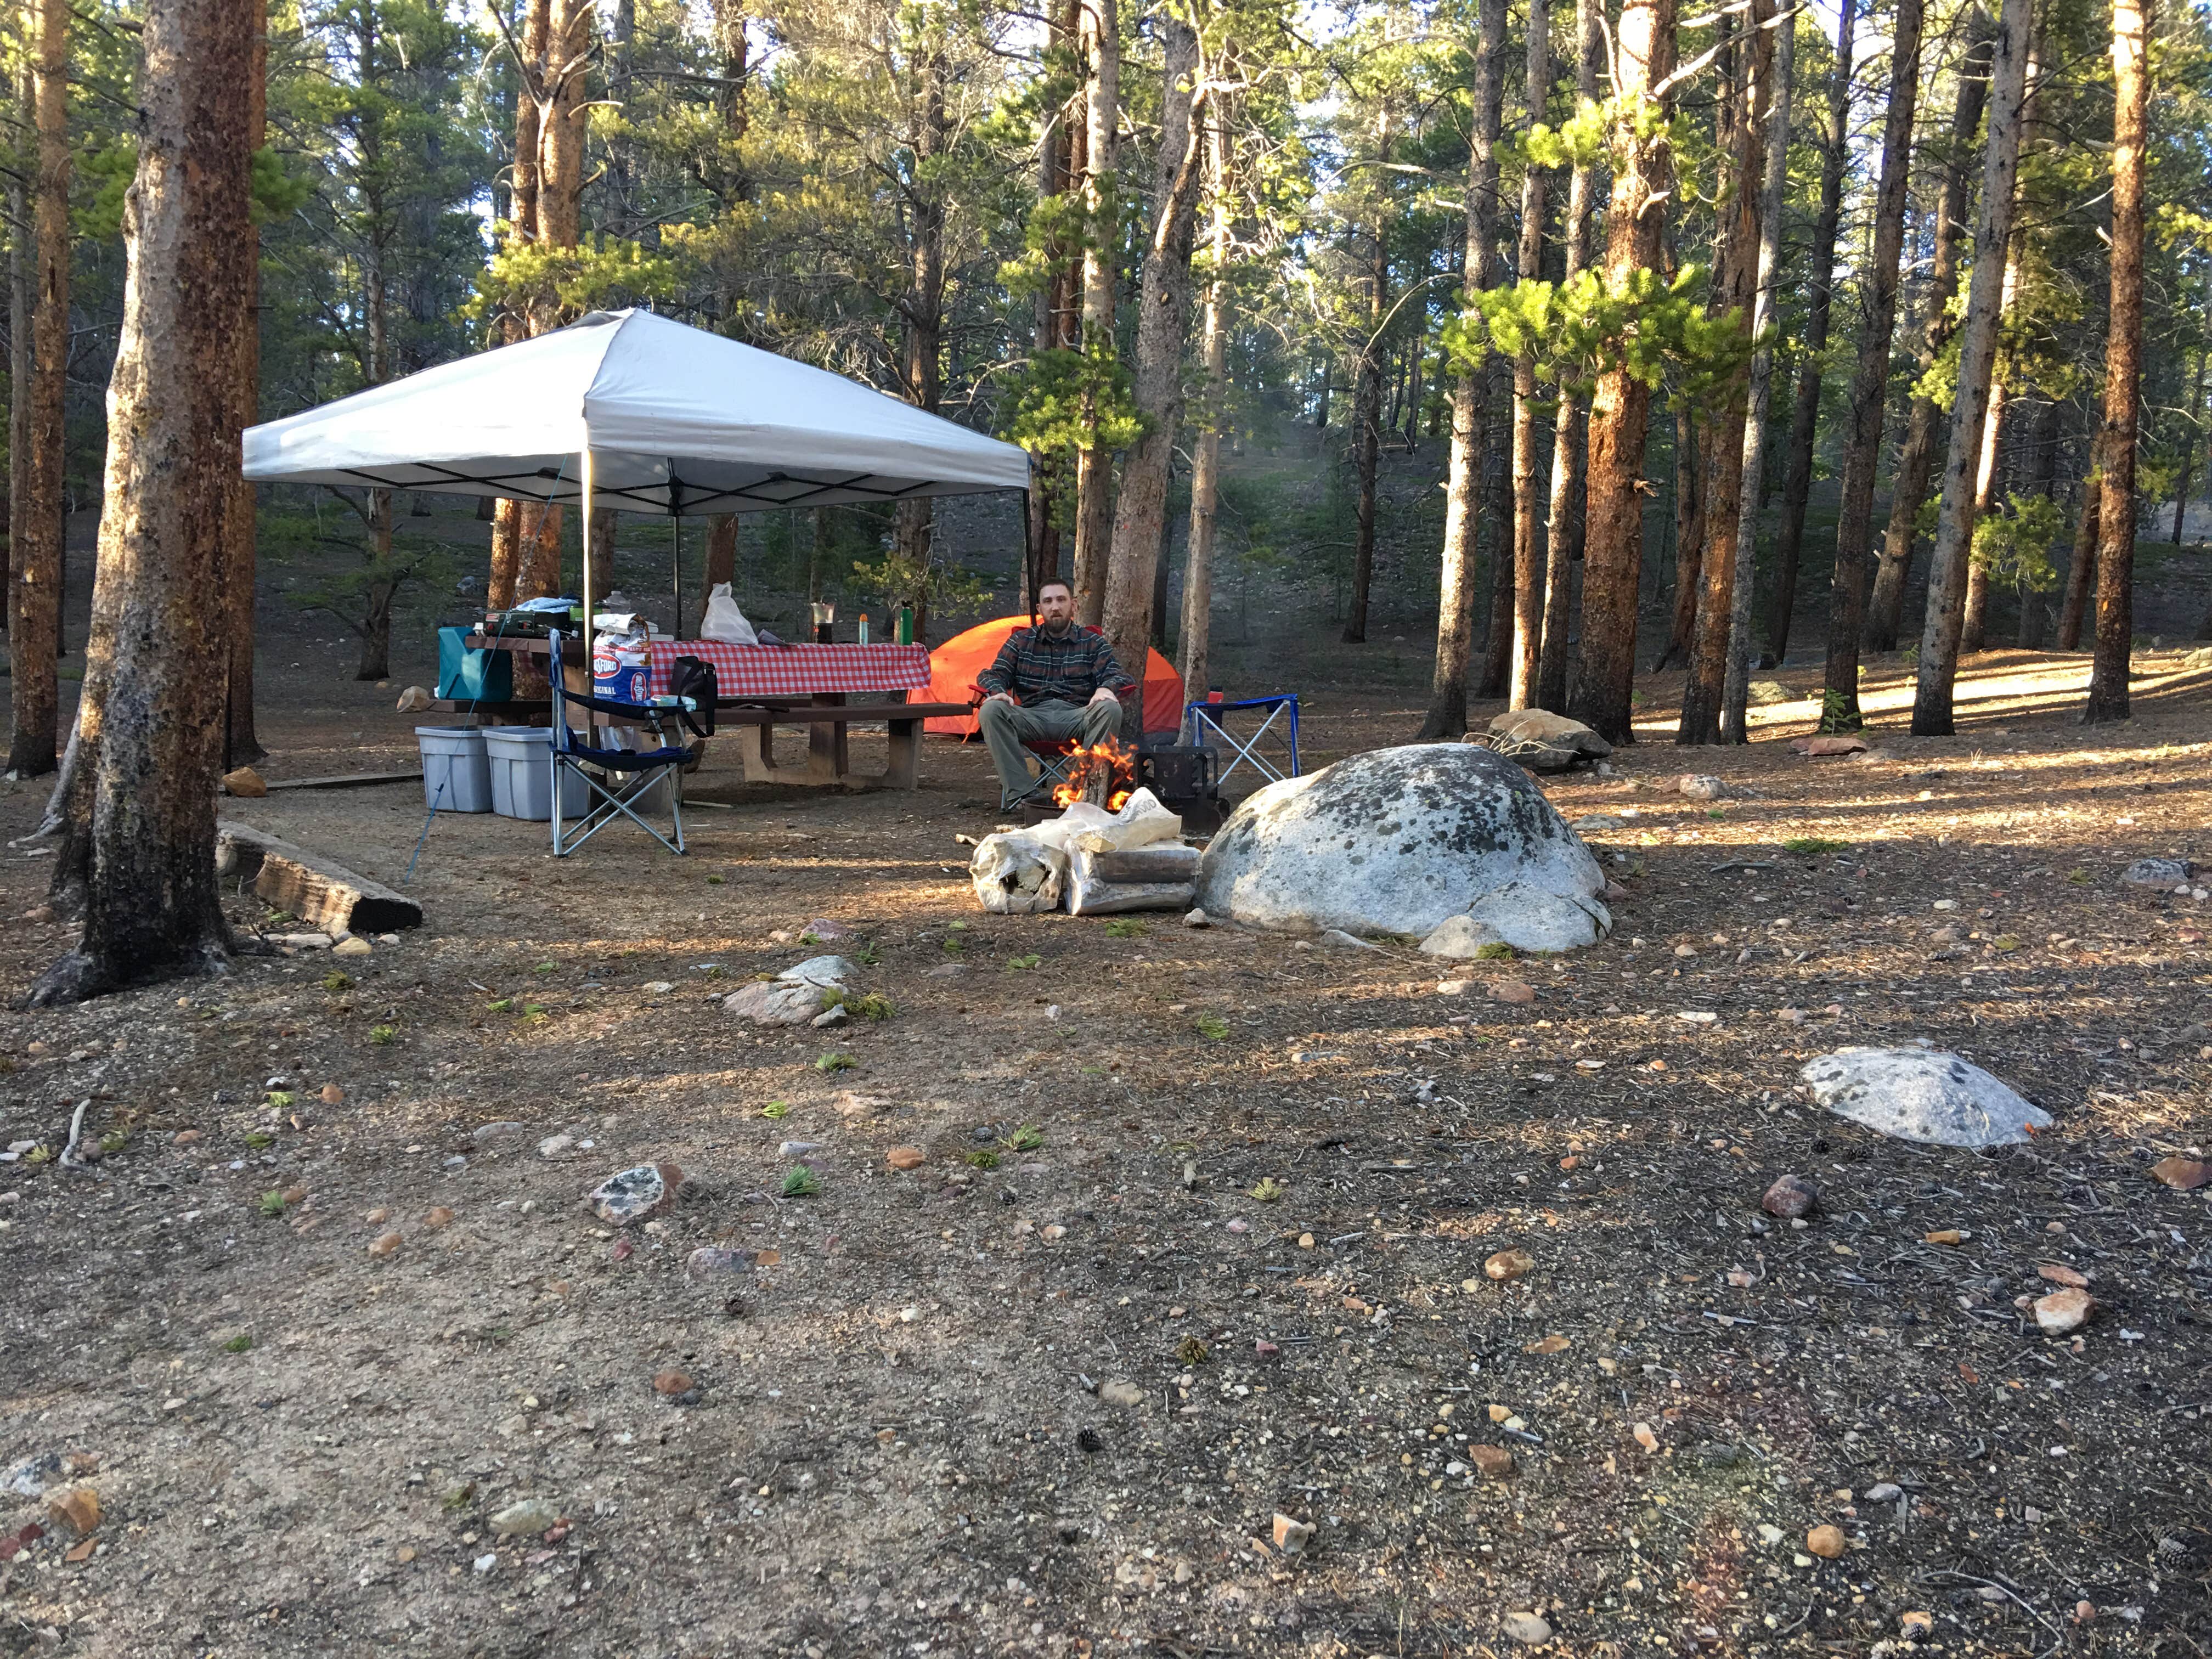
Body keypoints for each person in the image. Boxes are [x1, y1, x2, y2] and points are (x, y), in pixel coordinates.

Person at [975, 580, 1133, 808]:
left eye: (1061, 600)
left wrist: (1106, 687)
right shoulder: (1021, 641)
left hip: (1078, 717)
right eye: (1048, 601)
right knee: (991, 709)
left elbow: (1118, 675)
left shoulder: (1093, 642)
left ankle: (1078, 793)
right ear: (1040, 609)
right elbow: (992, 674)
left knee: (1110, 708)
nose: (1055, 607)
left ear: (1074, 605)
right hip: (1032, 717)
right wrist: (999, 692)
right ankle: (1022, 794)